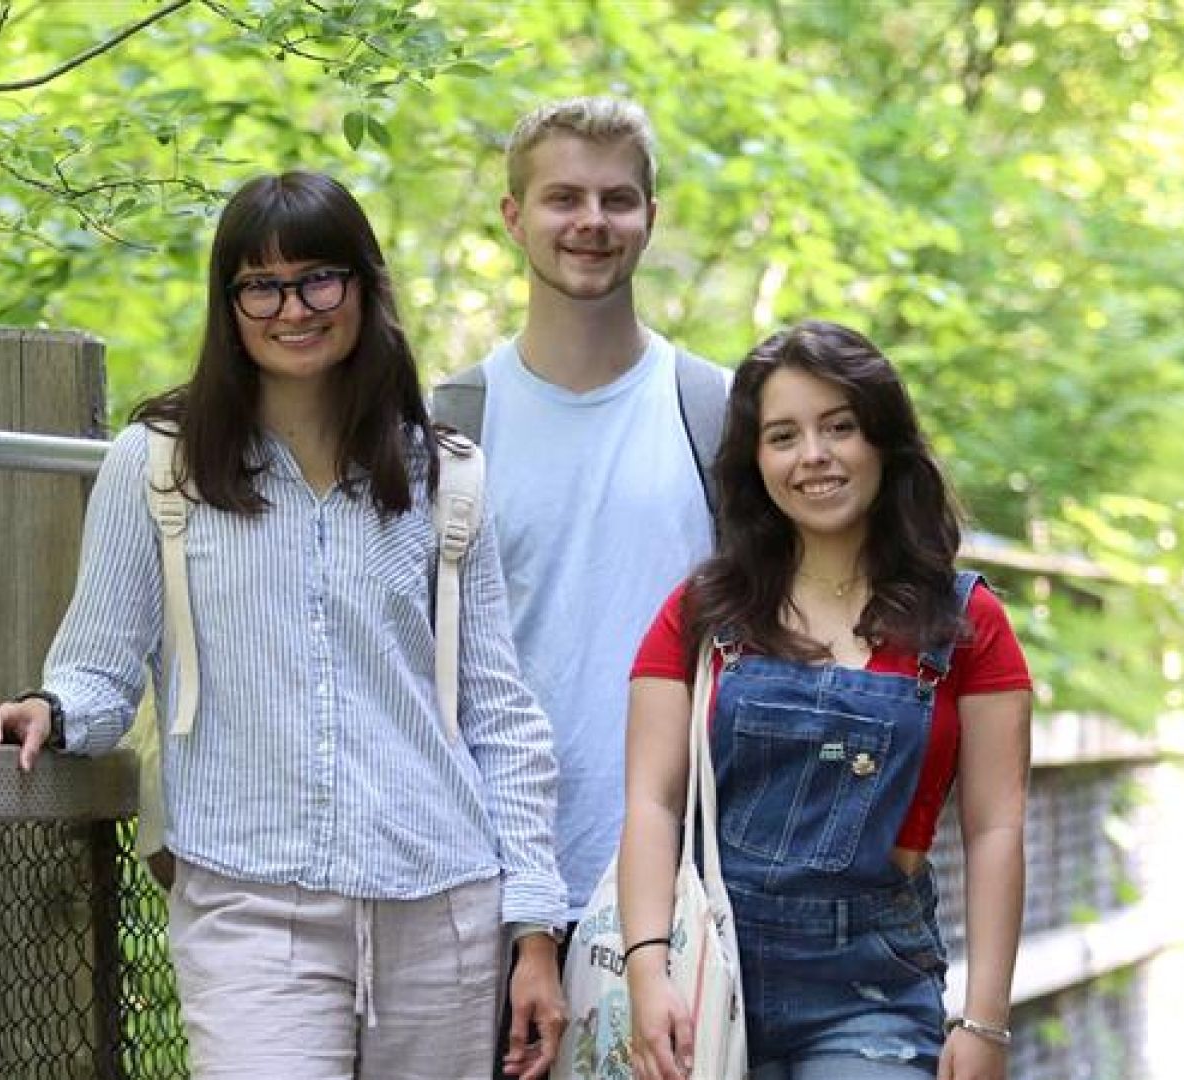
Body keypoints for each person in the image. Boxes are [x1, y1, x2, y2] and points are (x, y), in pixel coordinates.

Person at [0, 171, 567, 1080]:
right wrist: (49, 708)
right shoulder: (157, 467)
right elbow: (100, 666)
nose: (293, 309)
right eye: (261, 286)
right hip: (250, 900)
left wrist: (535, 931)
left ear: (362, 286)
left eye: (320, 278)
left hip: (441, 906)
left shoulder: (446, 477)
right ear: (229, 303)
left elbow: (500, 715)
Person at [618, 321, 1033, 1080]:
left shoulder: (970, 623)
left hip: (870, 992)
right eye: (782, 435)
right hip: (707, 967)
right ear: (755, 462)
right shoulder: (701, 613)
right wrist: (646, 969)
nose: (813, 456)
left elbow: (997, 827)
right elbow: (650, 802)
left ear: (882, 440)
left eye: (839, 427)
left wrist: (986, 1022)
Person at [429, 95, 728, 1076]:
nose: (591, 222)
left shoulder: (716, 411)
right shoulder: (448, 424)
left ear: (650, 215)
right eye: (563, 198)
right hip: (486, 882)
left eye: (617, 199)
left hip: (681, 887)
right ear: (513, 216)